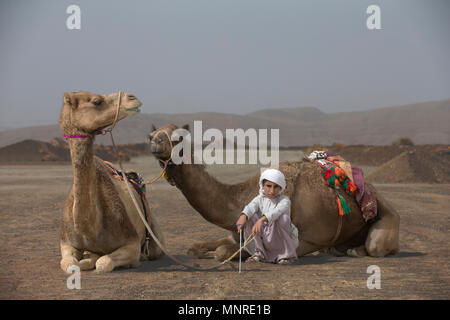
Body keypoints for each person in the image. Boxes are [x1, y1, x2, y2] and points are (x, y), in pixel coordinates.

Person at [236, 168, 299, 264]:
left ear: (281, 187)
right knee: (250, 217)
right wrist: (243, 216)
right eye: (268, 186)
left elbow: (277, 212)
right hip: (262, 233)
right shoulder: (259, 198)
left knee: (284, 218)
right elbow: (250, 207)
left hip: (277, 235)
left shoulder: (285, 200)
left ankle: (285, 256)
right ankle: (258, 254)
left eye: (276, 187)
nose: (272, 191)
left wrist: (261, 220)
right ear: (262, 186)